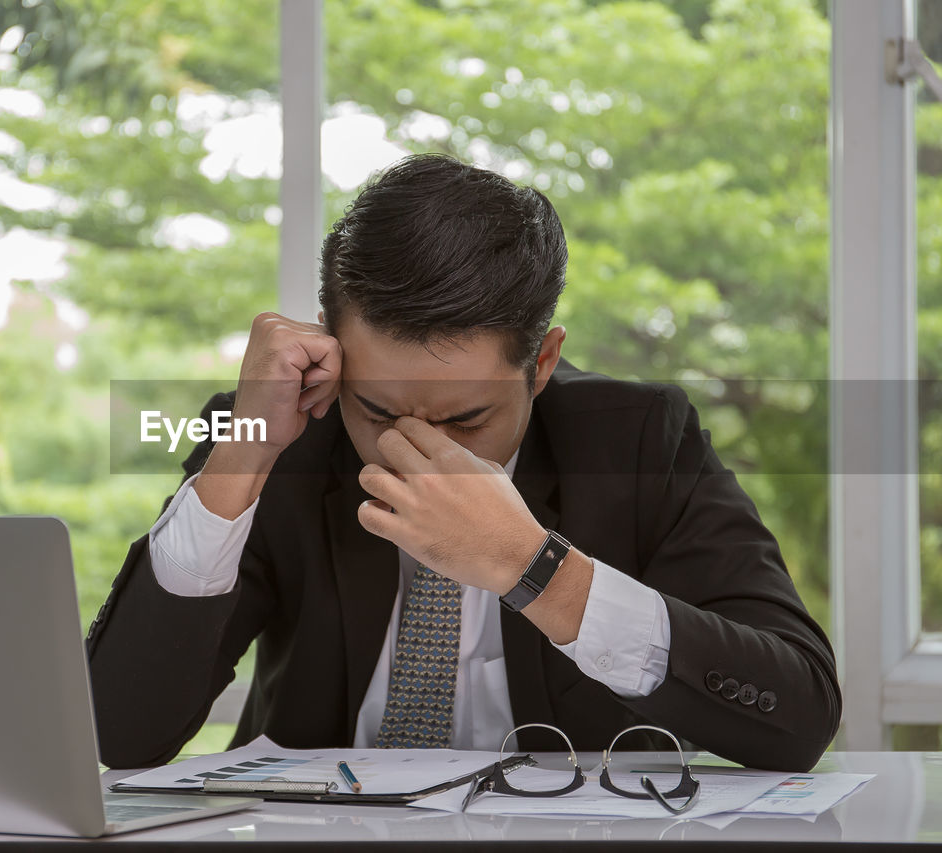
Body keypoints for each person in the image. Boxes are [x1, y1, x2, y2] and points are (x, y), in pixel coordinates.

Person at [86, 154, 841, 772]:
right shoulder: (275, 433)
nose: (418, 449)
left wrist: (533, 566)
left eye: (467, 418)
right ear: (331, 345)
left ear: (542, 362)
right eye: (376, 410)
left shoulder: (640, 438)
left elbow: (799, 711)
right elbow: (117, 736)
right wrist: (240, 459)